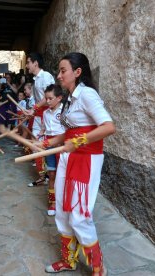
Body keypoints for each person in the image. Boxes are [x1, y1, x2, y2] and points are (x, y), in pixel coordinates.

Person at [42, 52, 115, 275]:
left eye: (63, 70)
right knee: (63, 210)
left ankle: (97, 267)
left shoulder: (87, 95)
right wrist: (47, 143)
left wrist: (79, 142)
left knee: (79, 215)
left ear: (77, 72)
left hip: (86, 159)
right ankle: (68, 260)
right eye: (59, 70)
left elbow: (108, 127)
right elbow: (70, 132)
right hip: (69, 157)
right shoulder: (71, 98)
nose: (59, 75)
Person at [34, 84, 66, 216]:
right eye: (46, 98)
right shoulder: (46, 113)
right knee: (52, 174)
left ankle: (63, 202)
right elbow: (44, 128)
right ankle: (52, 203)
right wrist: (39, 136)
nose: (47, 101)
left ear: (59, 98)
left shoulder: (65, 110)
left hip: (63, 145)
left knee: (63, 175)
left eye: (50, 98)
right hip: (49, 144)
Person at [26, 52, 55, 185]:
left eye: (28, 63)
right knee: (36, 144)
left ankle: (47, 175)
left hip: (46, 114)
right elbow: (39, 100)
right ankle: (43, 175)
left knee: (41, 144)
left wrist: (35, 108)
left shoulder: (46, 76)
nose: (27, 66)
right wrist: (31, 109)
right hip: (39, 114)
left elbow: (48, 97)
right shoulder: (36, 78)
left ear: (35, 63)